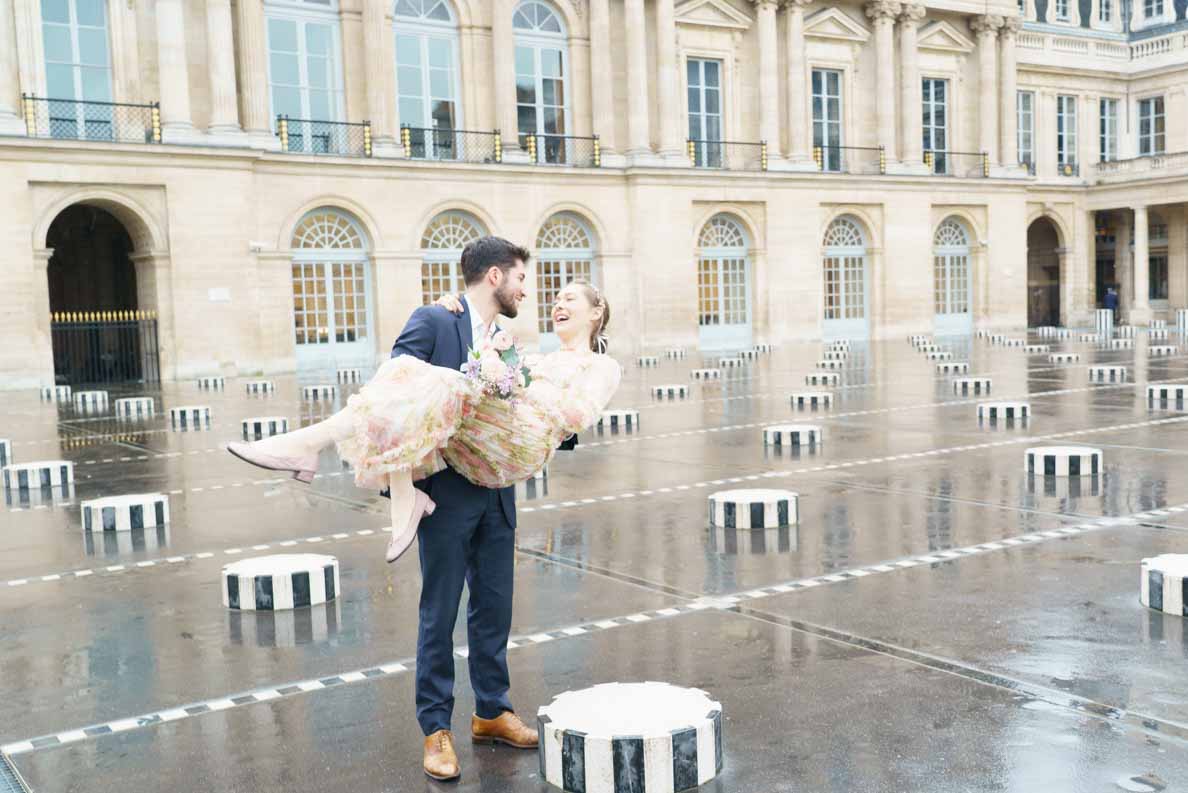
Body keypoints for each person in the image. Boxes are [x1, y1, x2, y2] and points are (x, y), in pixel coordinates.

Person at [226, 237, 620, 781]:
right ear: (494, 278)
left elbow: (553, 411)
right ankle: (435, 728)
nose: (531, 292)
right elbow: (395, 383)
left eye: (559, 293)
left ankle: (492, 711)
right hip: (449, 490)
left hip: (498, 490)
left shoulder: (510, 342)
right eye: (523, 281)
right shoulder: (438, 319)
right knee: (439, 611)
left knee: (494, 609)